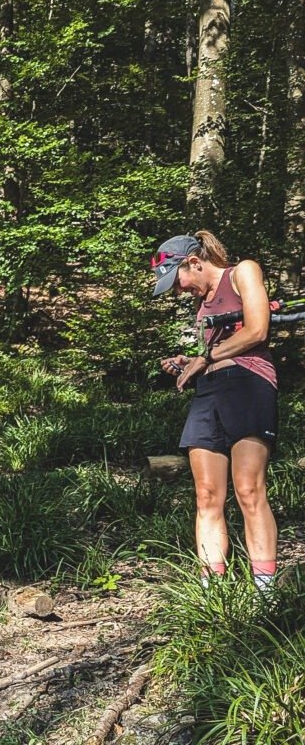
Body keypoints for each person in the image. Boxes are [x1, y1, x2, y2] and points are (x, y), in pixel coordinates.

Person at [152, 230, 278, 591]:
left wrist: (204, 357)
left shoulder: (243, 273)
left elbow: (256, 331)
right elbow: (215, 352)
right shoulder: (202, 303)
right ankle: (212, 590)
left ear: (194, 262)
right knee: (207, 494)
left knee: (248, 488)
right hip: (209, 391)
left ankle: (264, 591)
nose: (178, 291)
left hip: (249, 383)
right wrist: (190, 362)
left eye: (177, 283)